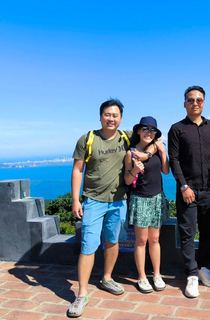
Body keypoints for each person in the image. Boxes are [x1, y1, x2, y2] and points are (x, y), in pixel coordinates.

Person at [68, 99, 151, 318]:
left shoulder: (126, 137)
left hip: (119, 200)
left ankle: (107, 278)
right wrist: (76, 200)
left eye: (115, 115)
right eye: (107, 114)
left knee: (113, 241)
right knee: (88, 245)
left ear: (121, 118)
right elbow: (78, 170)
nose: (111, 118)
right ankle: (82, 293)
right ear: (100, 116)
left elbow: (149, 139)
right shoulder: (87, 139)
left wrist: (148, 154)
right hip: (93, 200)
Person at [168, 85, 210, 298]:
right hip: (187, 190)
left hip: (209, 189)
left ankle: (203, 268)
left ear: (204, 102)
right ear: (185, 103)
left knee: (208, 230)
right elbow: (173, 159)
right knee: (187, 233)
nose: (195, 103)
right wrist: (183, 186)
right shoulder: (177, 128)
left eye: (199, 99)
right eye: (190, 100)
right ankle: (191, 274)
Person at [124, 116, 171, 293]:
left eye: (152, 130)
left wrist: (163, 152)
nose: (148, 132)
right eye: (145, 128)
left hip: (157, 198)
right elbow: (128, 180)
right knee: (141, 241)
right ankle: (142, 276)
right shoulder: (131, 153)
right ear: (138, 131)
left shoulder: (157, 150)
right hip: (140, 199)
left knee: (155, 239)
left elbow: (166, 171)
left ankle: (157, 274)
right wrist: (135, 170)